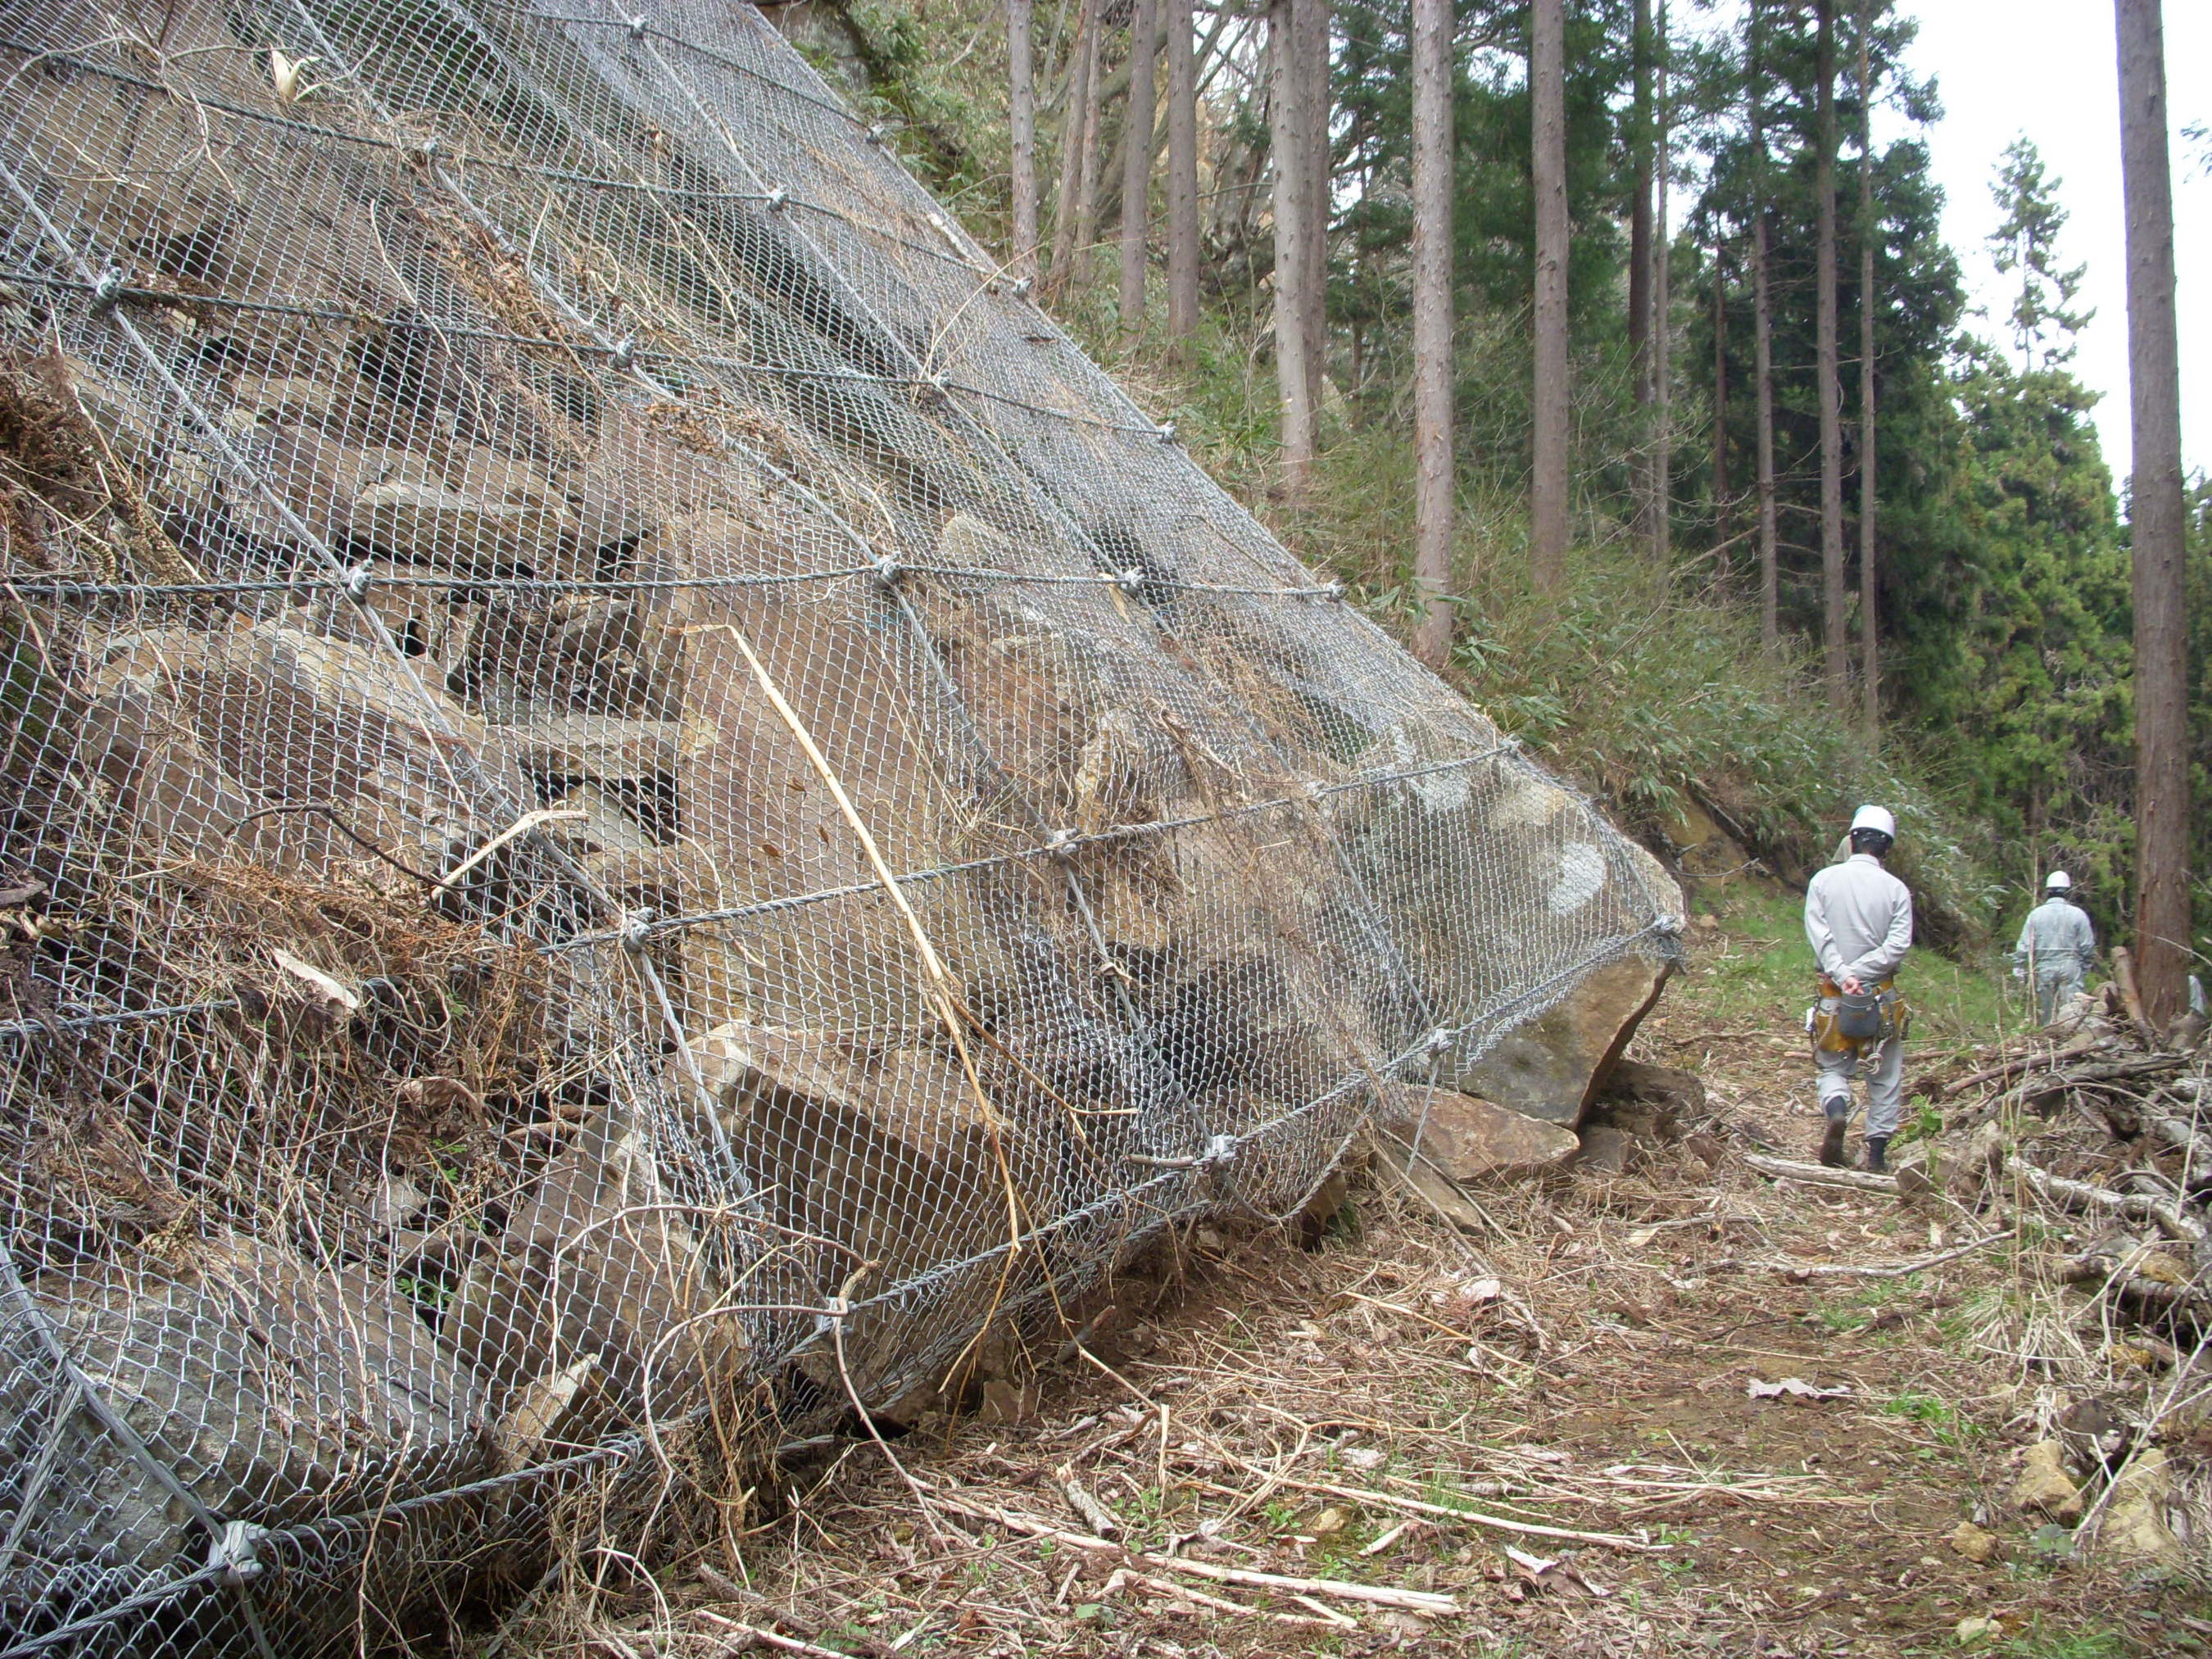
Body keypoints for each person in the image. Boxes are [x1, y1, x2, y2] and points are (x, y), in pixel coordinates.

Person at [1802, 805, 1914, 1171]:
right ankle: (1877, 1156)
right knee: (1886, 1074)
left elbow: (1819, 934)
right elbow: (1897, 946)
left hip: (1835, 994)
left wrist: (1843, 973)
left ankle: (1837, 1111)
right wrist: (1863, 973)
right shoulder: (1897, 890)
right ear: (1887, 849)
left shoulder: (1823, 880)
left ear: (1851, 840)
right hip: (1880, 996)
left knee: (1832, 1066)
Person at [2013, 872, 2096, 1023]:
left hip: (2044, 967)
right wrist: (2083, 968)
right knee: (2072, 1013)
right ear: (2068, 891)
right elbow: (2087, 946)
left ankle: (2048, 1041)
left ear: (2048, 891)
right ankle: (2070, 1042)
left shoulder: (2036, 915)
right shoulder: (2078, 915)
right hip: (2071, 965)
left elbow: (2025, 945)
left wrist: (2018, 966)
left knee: (2047, 1013)